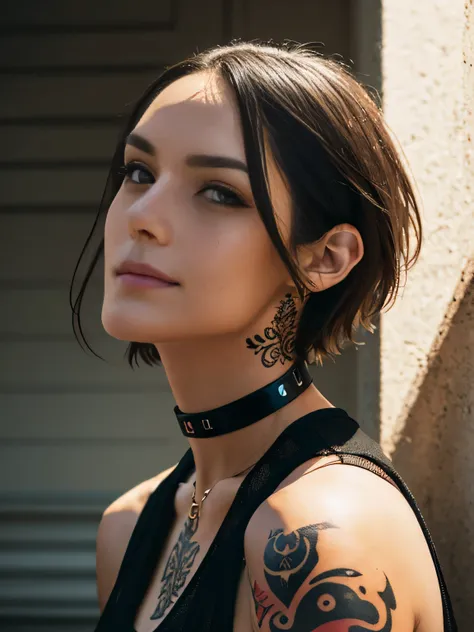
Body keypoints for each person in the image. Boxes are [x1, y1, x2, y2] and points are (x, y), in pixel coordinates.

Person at [71, 40, 457, 632]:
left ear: (325, 256)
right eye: (139, 171)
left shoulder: (320, 534)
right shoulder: (128, 527)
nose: (142, 214)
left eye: (220, 193)